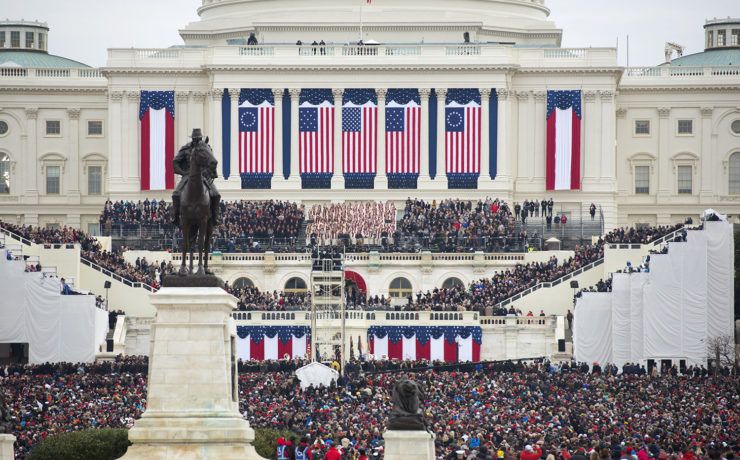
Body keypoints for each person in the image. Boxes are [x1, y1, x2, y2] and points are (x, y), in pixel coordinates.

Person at [171, 128, 221, 227]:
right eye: (195, 138)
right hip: (188, 175)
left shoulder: (206, 148)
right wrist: (182, 172)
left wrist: (208, 172)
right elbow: (175, 162)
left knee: (216, 194)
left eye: (198, 138)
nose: (196, 140)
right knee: (176, 194)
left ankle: (215, 218)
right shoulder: (185, 148)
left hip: (204, 175)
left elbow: (211, 162)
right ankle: (176, 217)